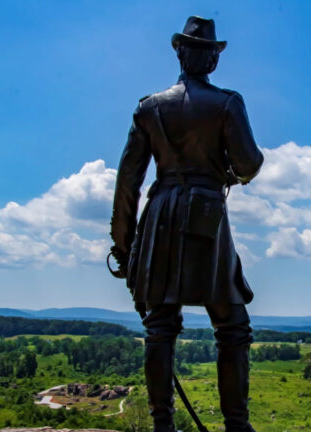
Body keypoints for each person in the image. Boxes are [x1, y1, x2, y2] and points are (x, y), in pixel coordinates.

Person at [109, 16, 264, 432]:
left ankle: (163, 425)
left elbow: (128, 183)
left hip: (160, 214)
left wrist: (124, 248)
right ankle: (237, 424)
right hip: (206, 214)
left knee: (160, 326)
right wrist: (229, 173)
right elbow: (250, 163)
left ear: (179, 52)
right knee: (232, 325)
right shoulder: (227, 104)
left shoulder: (149, 108)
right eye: (208, 51)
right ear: (212, 58)